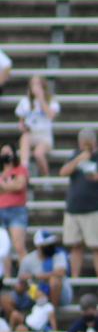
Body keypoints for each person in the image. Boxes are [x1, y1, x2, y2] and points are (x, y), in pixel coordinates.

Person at [59, 127, 98, 281]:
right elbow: (63, 172)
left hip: (95, 208)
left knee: (97, 246)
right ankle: (75, 278)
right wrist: (78, 160)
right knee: (75, 245)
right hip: (74, 208)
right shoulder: (75, 156)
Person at [16, 76, 59, 178]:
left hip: (45, 136)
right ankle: (24, 171)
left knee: (38, 154)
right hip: (31, 134)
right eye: (33, 84)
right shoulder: (24, 101)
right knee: (25, 137)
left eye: (38, 84)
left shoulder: (51, 101)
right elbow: (21, 122)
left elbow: (51, 115)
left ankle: (46, 178)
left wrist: (41, 99)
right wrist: (23, 127)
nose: (35, 87)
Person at [0, 142, 29, 278]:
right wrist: (10, 185)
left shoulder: (20, 169)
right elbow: (15, 185)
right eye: (3, 152)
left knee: (19, 246)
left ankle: (25, 276)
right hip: (1, 211)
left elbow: (20, 185)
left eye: (8, 152)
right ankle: (6, 277)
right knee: (3, 249)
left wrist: (4, 185)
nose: (6, 155)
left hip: (17, 211)